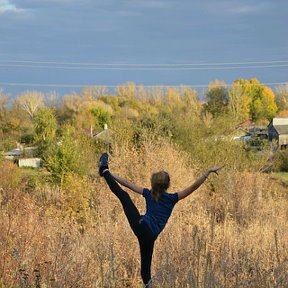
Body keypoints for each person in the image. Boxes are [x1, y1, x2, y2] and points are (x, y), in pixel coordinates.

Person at [99, 152, 223, 287]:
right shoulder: (172, 199)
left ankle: (104, 171)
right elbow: (193, 187)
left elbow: (127, 184)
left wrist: (109, 174)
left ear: (153, 183)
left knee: (124, 196)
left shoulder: (148, 193)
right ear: (167, 185)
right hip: (150, 236)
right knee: (145, 272)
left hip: (141, 226)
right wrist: (207, 172)